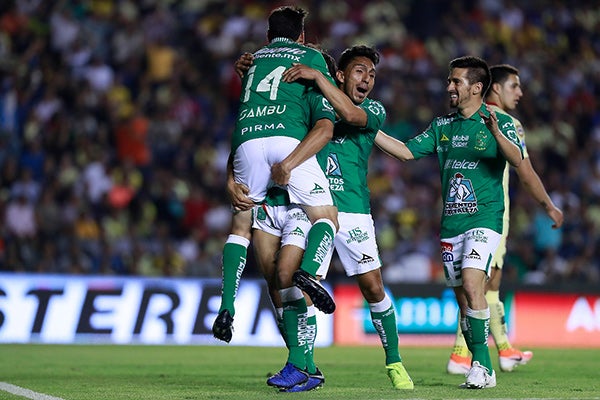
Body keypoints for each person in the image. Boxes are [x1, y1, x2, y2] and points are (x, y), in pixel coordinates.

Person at [374, 56, 524, 389]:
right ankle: (482, 367)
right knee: (463, 300)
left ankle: (482, 368)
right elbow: (405, 152)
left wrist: (497, 133)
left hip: (484, 219)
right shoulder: (443, 125)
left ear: (477, 87)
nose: (449, 87)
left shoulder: (499, 122)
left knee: (473, 284)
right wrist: (369, 129)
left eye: (455, 81)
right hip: (451, 225)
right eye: (449, 81)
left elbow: (517, 160)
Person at [281, 45, 414, 390]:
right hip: (313, 206)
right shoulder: (314, 103)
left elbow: (352, 117)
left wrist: (318, 78)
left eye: (372, 74)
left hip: (354, 212)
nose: (367, 79)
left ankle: (394, 361)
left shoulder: (373, 110)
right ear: (340, 75)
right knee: (303, 285)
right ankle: (306, 367)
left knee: (373, 288)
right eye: (359, 71)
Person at [212, 5, 339, 344]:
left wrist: (231, 178)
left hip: (248, 144)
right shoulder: (310, 62)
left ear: (268, 36)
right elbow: (327, 124)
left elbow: (246, 125)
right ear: (302, 37)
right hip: (287, 149)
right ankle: (310, 275)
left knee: (240, 225)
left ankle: (226, 304)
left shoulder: (254, 61)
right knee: (326, 216)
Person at [446, 64, 564, 374]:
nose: (520, 93)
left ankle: (503, 350)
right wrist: (549, 206)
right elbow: (525, 171)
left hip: (465, 213)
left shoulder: (468, 119)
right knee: (480, 286)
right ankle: (462, 354)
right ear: (495, 88)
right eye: (514, 86)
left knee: (487, 285)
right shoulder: (507, 122)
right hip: (491, 214)